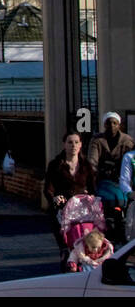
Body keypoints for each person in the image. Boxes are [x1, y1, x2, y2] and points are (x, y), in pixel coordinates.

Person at [45, 131, 97, 263]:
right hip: (63, 207)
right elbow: (48, 189)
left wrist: (90, 198)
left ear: (80, 145)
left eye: (76, 142)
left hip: (82, 208)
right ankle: (64, 250)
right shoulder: (55, 165)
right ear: (64, 145)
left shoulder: (86, 165)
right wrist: (55, 198)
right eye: (70, 142)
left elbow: (93, 189)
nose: (73, 145)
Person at [87, 112, 134, 210]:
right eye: (109, 123)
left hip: (121, 179)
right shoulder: (97, 140)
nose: (112, 126)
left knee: (122, 200)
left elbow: (130, 162)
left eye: (114, 123)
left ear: (119, 125)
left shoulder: (128, 141)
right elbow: (92, 161)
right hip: (102, 178)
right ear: (104, 124)